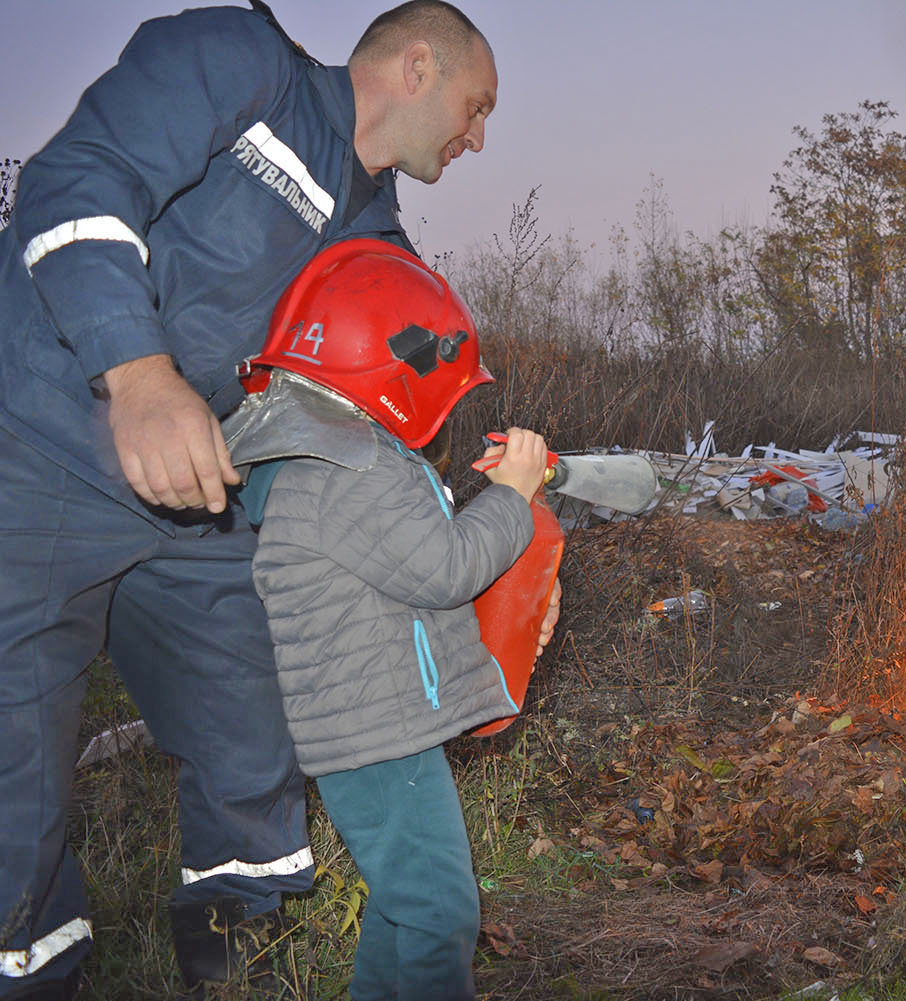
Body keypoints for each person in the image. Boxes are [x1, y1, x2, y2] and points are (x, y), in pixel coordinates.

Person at [0, 3, 499, 997]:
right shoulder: (242, 61)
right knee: (15, 774)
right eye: (477, 106)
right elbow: (72, 184)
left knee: (253, 727)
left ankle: (233, 948)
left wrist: (497, 569)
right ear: (416, 64)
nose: (479, 136)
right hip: (35, 453)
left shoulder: (372, 239)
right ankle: (32, 959)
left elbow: (374, 441)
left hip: (197, 494)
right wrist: (138, 374)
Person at [235, 238, 550, 1001]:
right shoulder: (354, 465)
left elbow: (400, 576)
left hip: (367, 726)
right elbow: (445, 570)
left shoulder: (317, 453)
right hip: (379, 735)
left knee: (410, 907)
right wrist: (512, 496)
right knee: (440, 910)